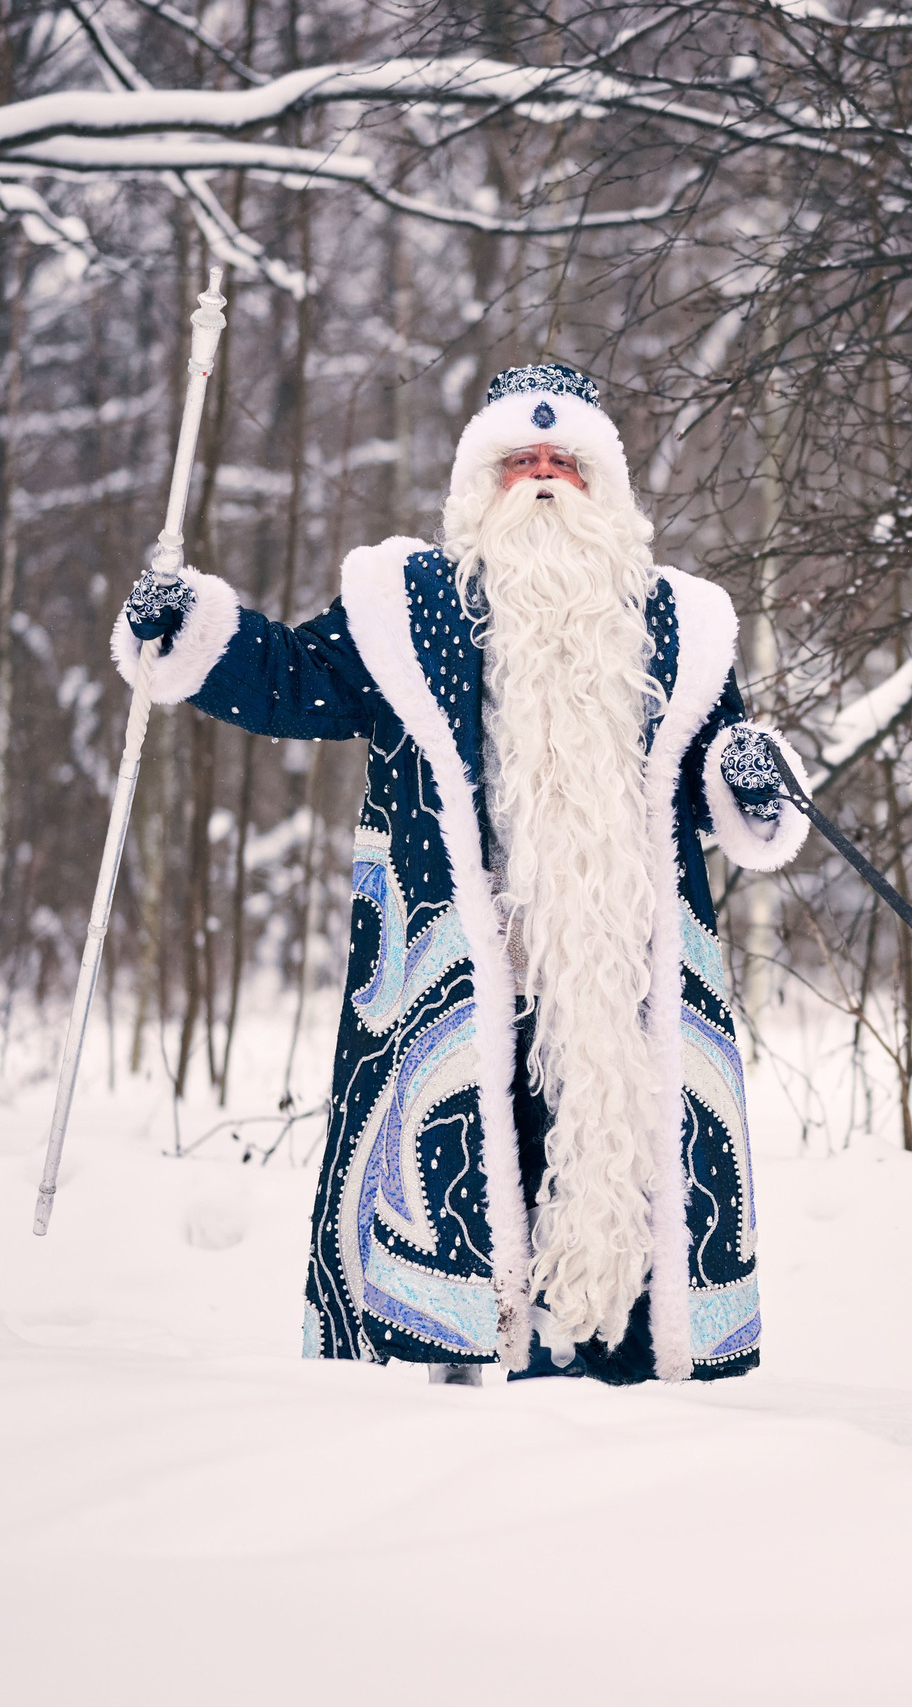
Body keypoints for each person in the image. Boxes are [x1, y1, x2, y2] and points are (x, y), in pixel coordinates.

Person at [113, 362, 806, 1384]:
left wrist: (754, 781)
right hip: (456, 971)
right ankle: (451, 1374)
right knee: (460, 1175)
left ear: (601, 486)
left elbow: (722, 781)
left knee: (616, 1164)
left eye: (561, 461)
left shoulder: (677, 623)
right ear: (474, 484)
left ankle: (613, 1379)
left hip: (620, 982)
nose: (539, 479)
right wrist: (193, 637)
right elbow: (295, 682)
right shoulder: (409, 607)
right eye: (516, 461)